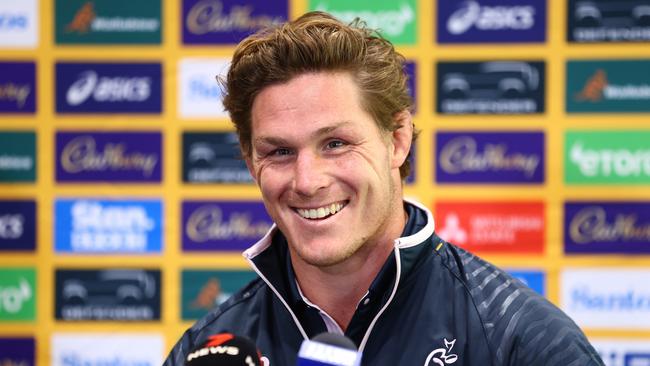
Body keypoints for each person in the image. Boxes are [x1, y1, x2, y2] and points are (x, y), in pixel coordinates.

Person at [164, 11, 604, 366]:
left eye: (335, 143)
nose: (307, 180)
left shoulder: (518, 339)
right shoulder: (207, 349)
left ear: (397, 140)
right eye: (279, 151)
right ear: (250, 163)